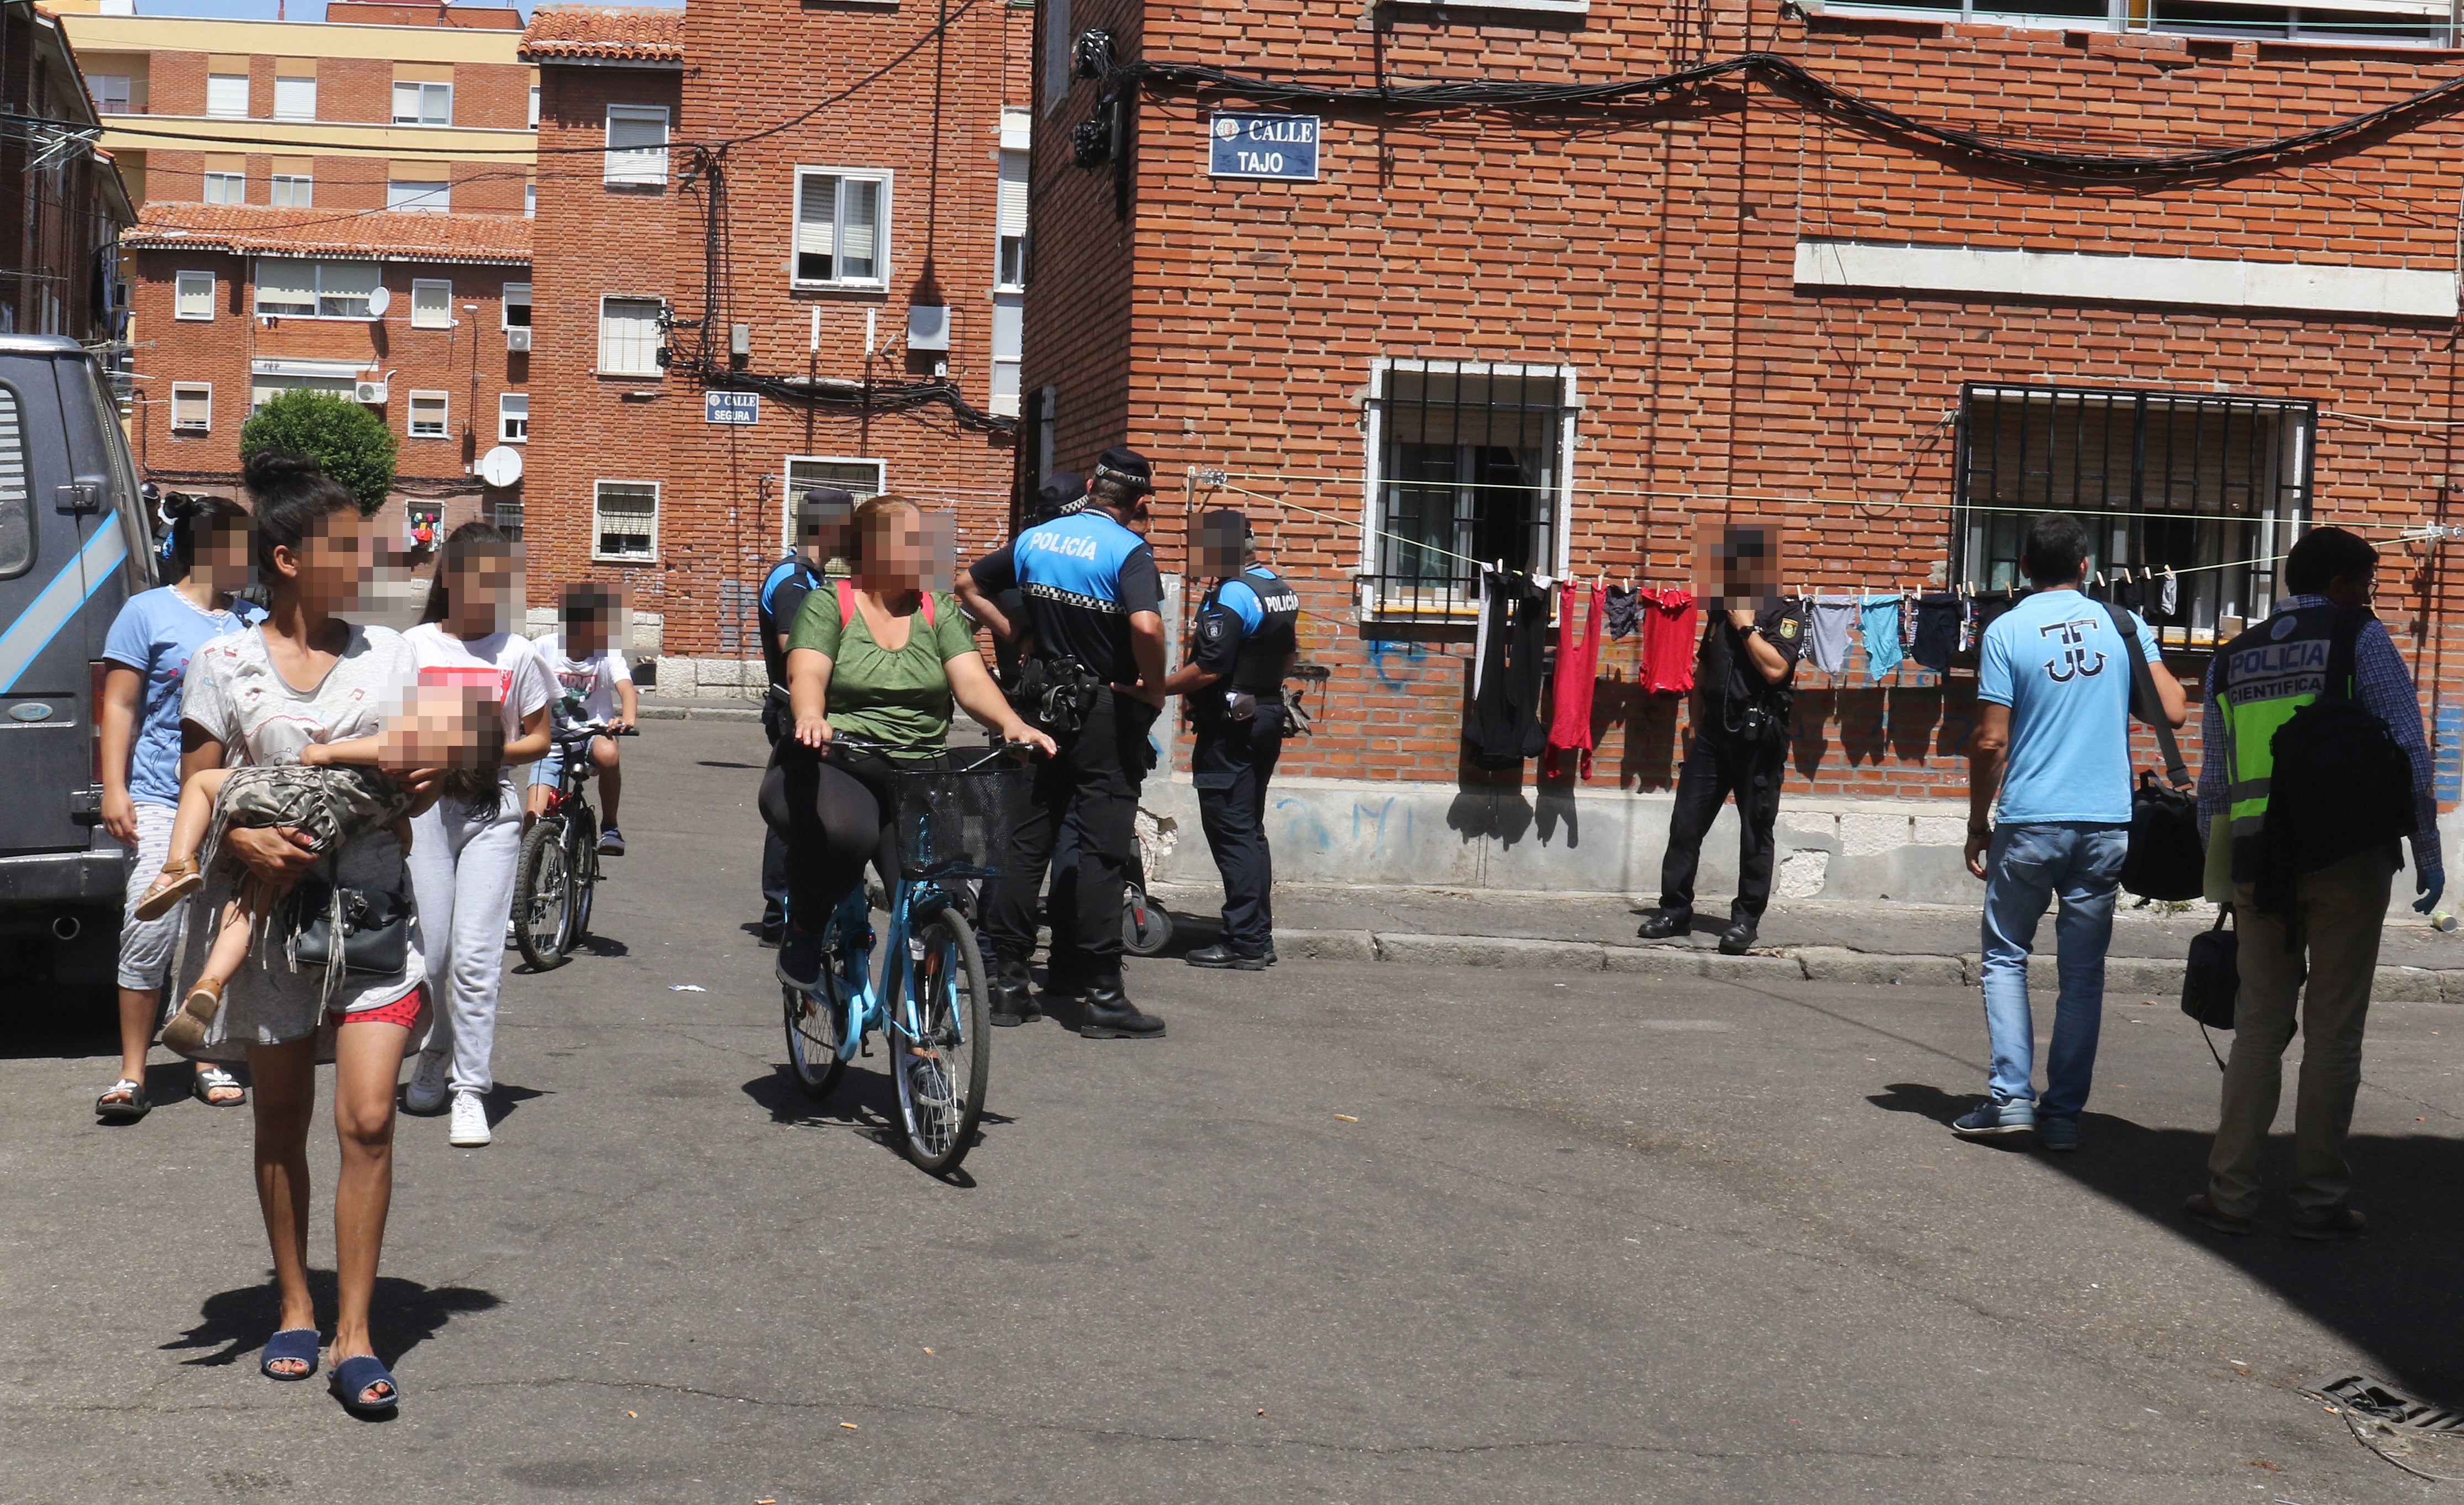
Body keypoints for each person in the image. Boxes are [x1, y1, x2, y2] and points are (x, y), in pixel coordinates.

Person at [177, 450, 438, 1414]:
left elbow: (453, 756)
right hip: (270, 924)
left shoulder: (395, 654)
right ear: (287, 558)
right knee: (279, 1115)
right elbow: (199, 785)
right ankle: (295, 1300)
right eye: (345, 543)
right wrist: (243, 832)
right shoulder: (223, 662)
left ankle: (357, 1330)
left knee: (366, 1117)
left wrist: (439, 771)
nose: (365, 556)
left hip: (373, 913)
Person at [2186, 527, 2442, 1239]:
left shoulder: (2230, 658)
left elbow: (2213, 781)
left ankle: (2230, 1195)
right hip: (2345, 856)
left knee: (2258, 1028)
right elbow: (2408, 749)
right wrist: (2427, 850)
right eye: (2363, 585)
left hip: (2255, 860)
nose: (2369, 598)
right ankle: (2315, 1202)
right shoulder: (2358, 637)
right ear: (2335, 586)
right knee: (2333, 1030)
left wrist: (2220, 870)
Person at [1955, 513, 2186, 1150]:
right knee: (2082, 973)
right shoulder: (2122, 624)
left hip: (2030, 820)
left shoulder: (2004, 631)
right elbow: (2170, 709)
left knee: (2005, 957)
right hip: (2105, 823)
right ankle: (2061, 1116)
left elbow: (1990, 739)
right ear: (2085, 567)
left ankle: (2010, 1102)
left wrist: (1979, 822)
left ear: (2022, 569)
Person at [760, 494, 1052, 989]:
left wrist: (1010, 722)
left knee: (937, 902)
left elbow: (972, 682)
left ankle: (923, 1041)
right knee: (845, 837)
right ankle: (805, 929)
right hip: (841, 761)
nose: (928, 553)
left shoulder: (936, 610)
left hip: (918, 773)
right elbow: (806, 670)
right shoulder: (829, 603)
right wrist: (811, 715)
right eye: (914, 542)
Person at [137, 685, 492, 1055]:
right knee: (253, 899)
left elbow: (360, 750)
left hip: (305, 795)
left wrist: (325, 751)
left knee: (201, 784)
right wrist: (402, 833)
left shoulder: (415, 746)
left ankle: (177, 866)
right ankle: (210, 985)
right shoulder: (425, 781)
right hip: (328, 832)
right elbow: (410, 813)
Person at [956, 448, 1170, 1037]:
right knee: (1101, 850)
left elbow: (966, 584)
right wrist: (1153, 688)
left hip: (1037, 706)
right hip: (1103, 711)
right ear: (1140, 503)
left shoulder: (1039, 539)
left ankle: (1005, 983)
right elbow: (1146, 626)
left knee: (1025, 843)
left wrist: (1015, 631)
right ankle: (1101, 993)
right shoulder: (1129, 551)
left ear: (1092, 486)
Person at [94, 492, 262, 1120]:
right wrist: (116, 788)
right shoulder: (146, 614)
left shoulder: (252, 621)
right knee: (151, 920)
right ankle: (132, 1072)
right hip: (163, 796)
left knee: (216, 925)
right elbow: (119, 706)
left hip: (233, 799)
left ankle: (207, 1058)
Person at [399, 523, 553, 1149]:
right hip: (425, 812)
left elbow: (540, 738)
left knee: (476, 958)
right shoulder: (411, 646)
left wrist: (483, 751)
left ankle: (470, 1089)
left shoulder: (516, 653)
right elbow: (392, 728)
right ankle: (435, 1046)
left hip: (493, 812)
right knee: (431, 955)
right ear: (450, 580)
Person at [1634, 527, 1811, 955]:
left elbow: (1775, 671)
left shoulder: (1785, 613)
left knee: (1755, 831)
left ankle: (1745, 921)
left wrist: (1748, 628)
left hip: (1760, 738)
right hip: (1714, 736)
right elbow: (1703, 672)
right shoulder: (1719, 613)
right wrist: (1694, 725)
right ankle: (1675, 911)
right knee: (1686, 824)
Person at [1163, 509, 1298, 970]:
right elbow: (1289, 654)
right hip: (1265, 713)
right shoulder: (1276, 587)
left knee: (1232, 831)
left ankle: (1245, 941)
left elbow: (1211, 667)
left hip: (1233, 725)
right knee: (1249, 830)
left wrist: (1154, 688)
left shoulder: (1232, 594)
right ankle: (1256, 935)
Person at [755, 489, 855, 943]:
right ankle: (781, 913)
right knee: (796, 810)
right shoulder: (795, 581)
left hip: (804, 710)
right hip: (795, 709)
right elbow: (794, 652)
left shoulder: (811, 577)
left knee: (809, 807)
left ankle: (790, 910)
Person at [529, 582, 639, 846]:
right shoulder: (544, 647)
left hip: (594, 733)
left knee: (608, 753)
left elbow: (626, 688)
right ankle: (527, 884)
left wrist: (627, 718)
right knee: (531, 819)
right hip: (552, 741)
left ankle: (610, 825)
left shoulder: (607, 653)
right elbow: (519, 680)